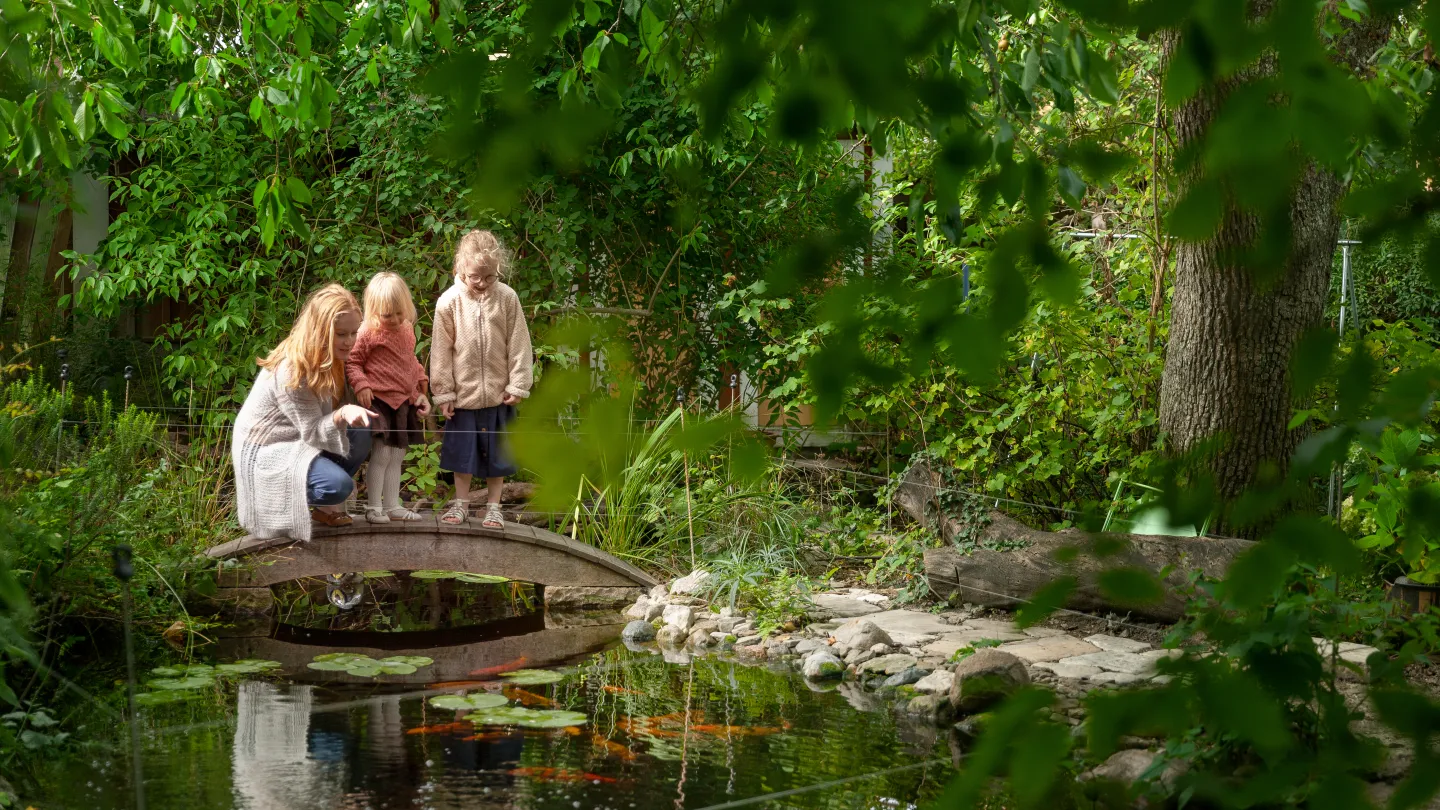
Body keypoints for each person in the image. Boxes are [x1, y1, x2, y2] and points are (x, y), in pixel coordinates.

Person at [232, 283, 378, 540]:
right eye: (341, 334)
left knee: (362, 430)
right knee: (338, 486)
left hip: (298, 440)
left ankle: (324, 509)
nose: (350, 342)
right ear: (320, 331)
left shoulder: (330, 358)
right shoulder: (292, 369)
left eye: (354, 333)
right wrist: (341, 414)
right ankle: (290, 502)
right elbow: (312, 431)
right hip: (267, 450)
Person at [429, 230, 533, 528]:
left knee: (497, 457)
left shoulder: (507, 298)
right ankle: (460, 505)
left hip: (499, 396)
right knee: (461, 457)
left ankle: (493, 508)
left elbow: (519, 344)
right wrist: (444, 393)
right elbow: (440, 351)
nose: (482, 283)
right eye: (475, 276)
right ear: (460, 267)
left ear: (498, 269)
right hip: (464, 397)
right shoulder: (448, 302)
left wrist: (518, 384)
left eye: (489, 277)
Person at [347, 272, 432, 523]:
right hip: (379, 401)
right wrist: (361, 385)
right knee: (382, 454)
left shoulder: (407, 329)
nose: (394, 319)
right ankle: (374, 507)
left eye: (399, 313)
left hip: (403, 402)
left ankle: (393, 505)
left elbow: (410, 362)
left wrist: (419, 391)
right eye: (387, 315)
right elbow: (353, 362)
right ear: (374, 311)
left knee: (397, 455)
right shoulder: (366, 332)